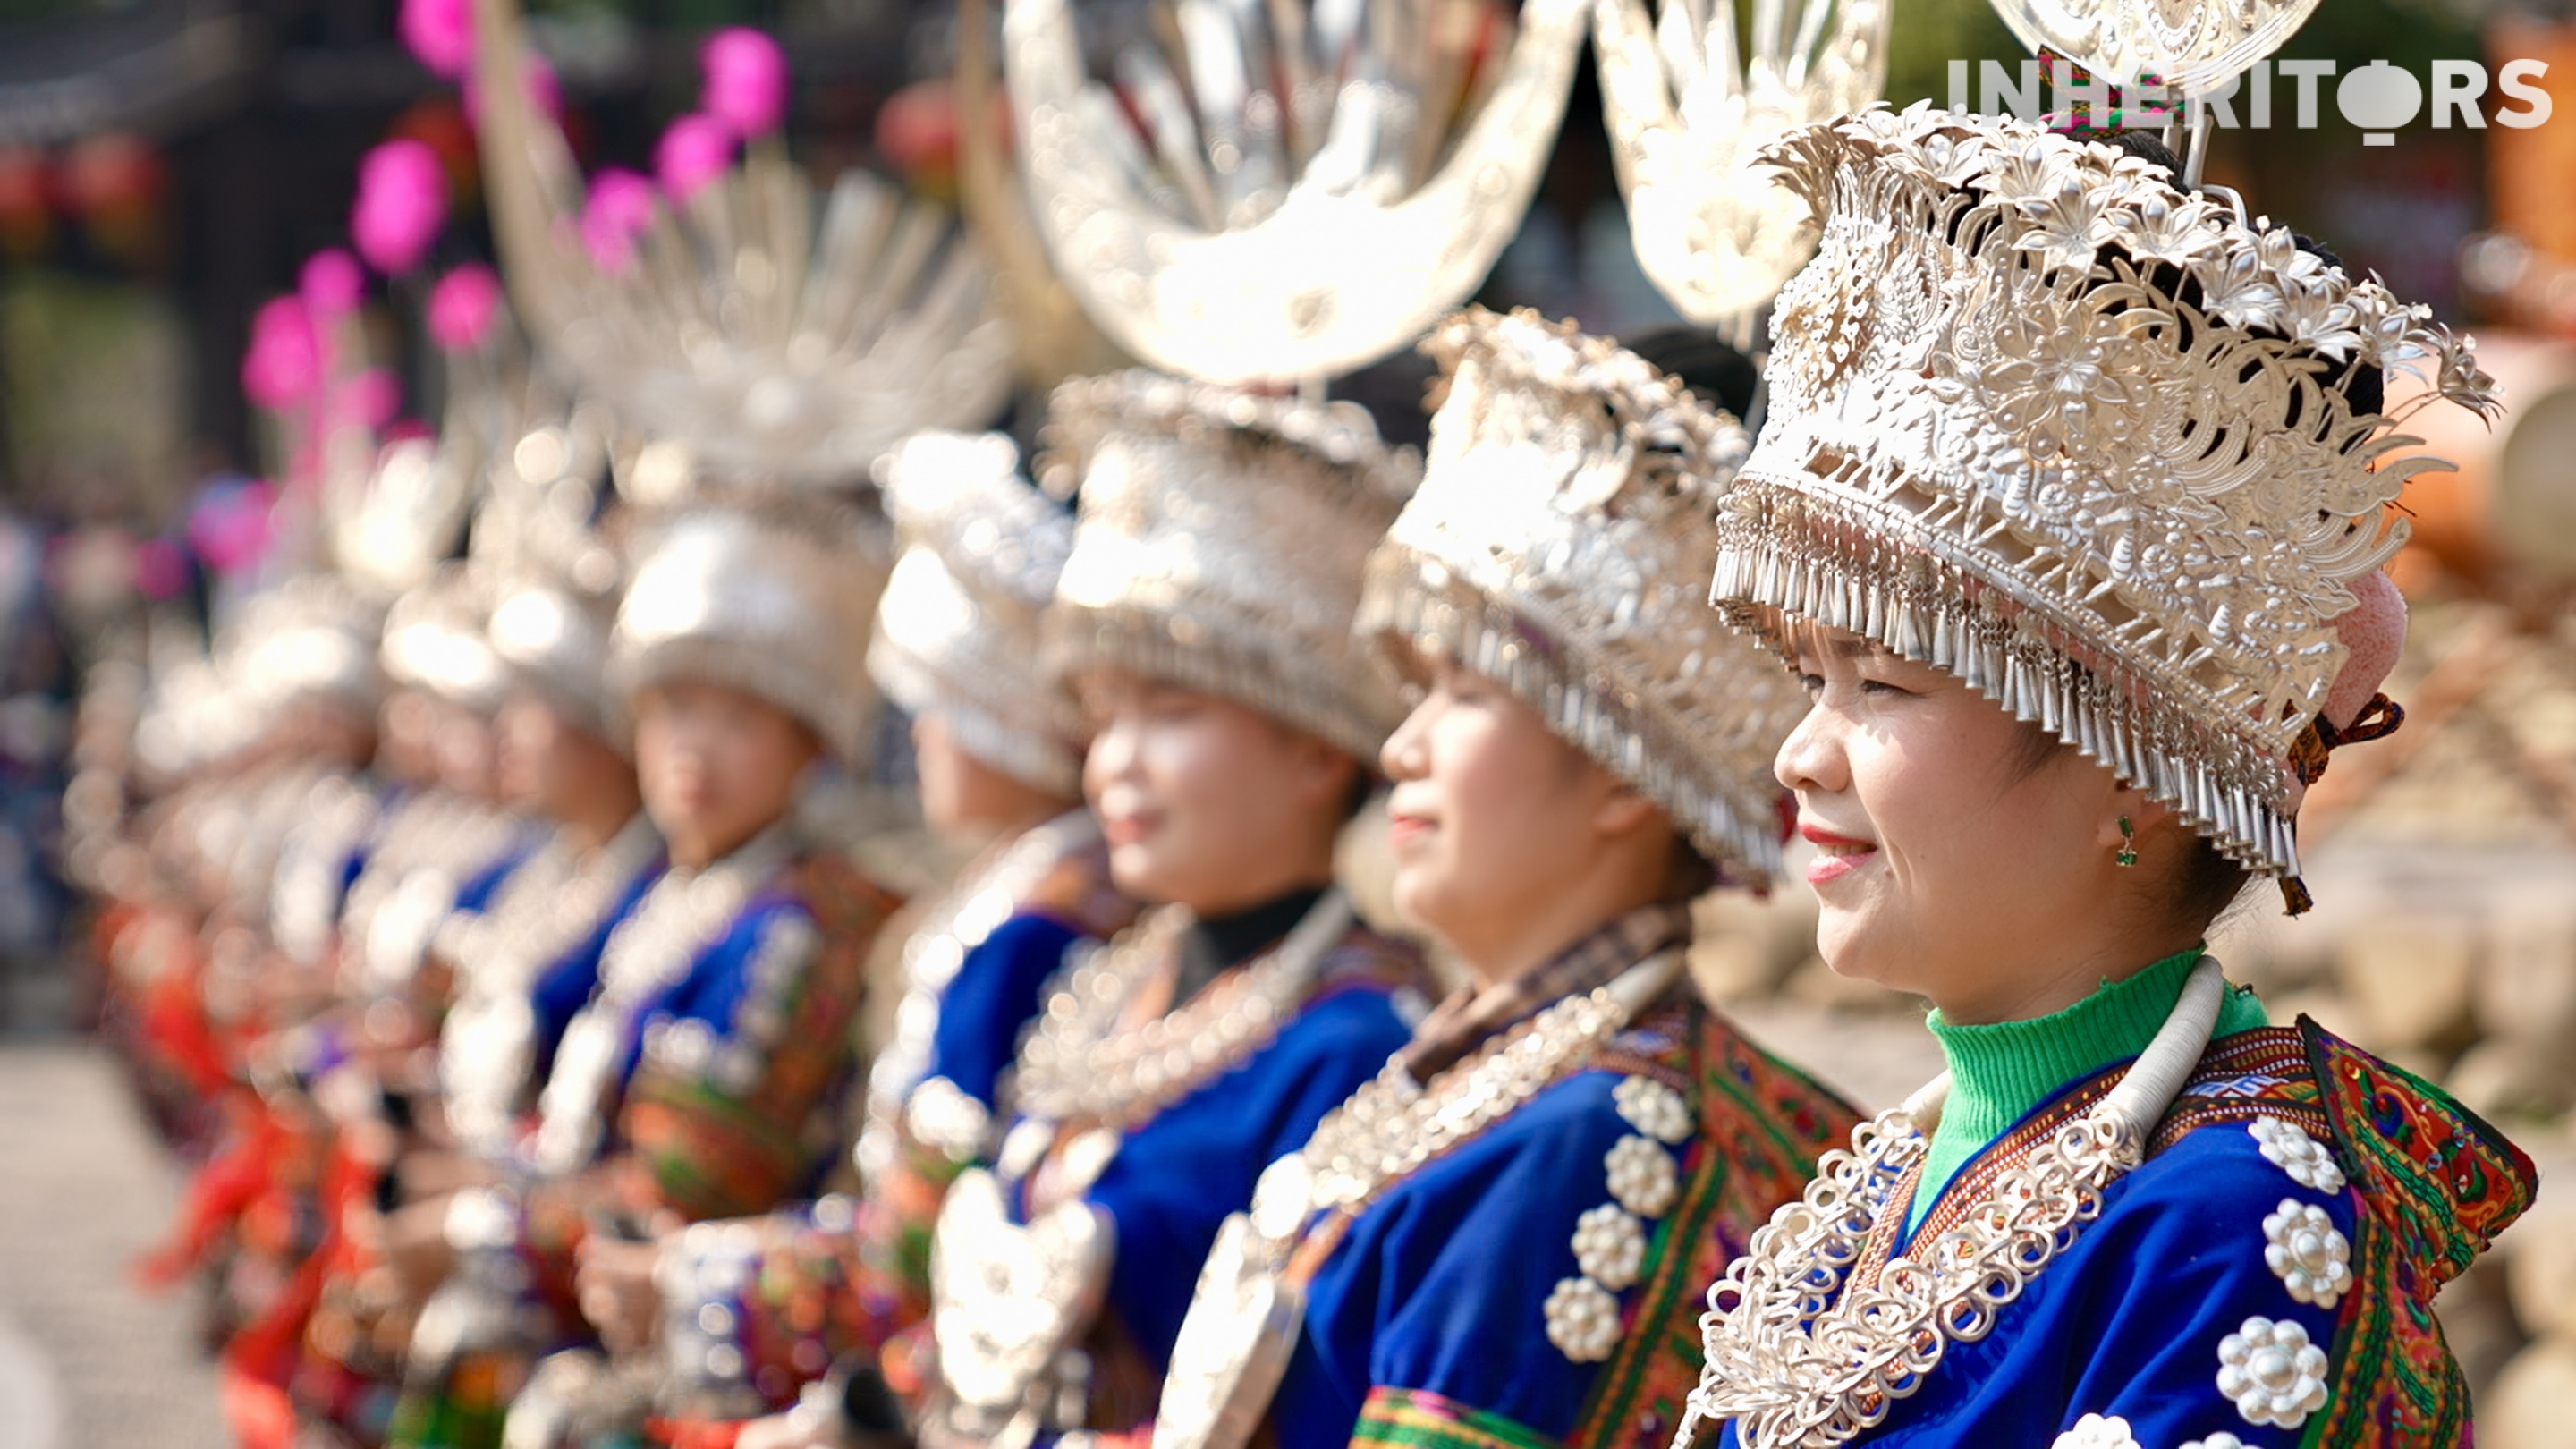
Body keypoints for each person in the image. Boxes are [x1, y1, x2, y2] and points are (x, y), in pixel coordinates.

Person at [1672, 108, 2538, 1449]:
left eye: (1882, 684)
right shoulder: (1881, 1192)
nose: (1802, 752)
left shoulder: (2228, 1233)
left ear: (2130, 764)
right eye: (1812, 679)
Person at [1149, 308, 1858, 1449]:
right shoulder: (1484, 1074)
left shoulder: (1583, 1135)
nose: (1402, 748)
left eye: (1466, 696)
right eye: (1417, 691)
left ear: (1626, 768)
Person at [915, 374, 1436, 1449]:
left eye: (1172, 709)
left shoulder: (1359, 1049)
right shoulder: (1098, 983)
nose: (1115, 765)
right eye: (1104, 715)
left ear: (1313, 743)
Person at [585, 430, 1135, 1433]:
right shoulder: (1003, 899)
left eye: (934, 698)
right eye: (672, 710)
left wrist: (688, 1282)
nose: (918, 727)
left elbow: (910, 1251)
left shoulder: (1023, 924)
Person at [384, 492, 911, 1449]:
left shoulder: (798, 921)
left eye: (738, 718)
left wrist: (475, 1230)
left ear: (810, 743)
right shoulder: (689, 893)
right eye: (672, 710)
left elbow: (687, 1188)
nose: (692, 750)